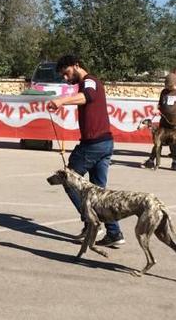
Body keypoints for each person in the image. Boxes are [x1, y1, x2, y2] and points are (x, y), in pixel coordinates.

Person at [46, 54, 125, 248]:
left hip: (94, 144)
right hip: (104, 143)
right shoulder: (88, 83)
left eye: (66, 73)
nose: (66, 78)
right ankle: (114, 234)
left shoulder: (90, 81)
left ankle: (91, 222)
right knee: (99, 193)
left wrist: (61, 101)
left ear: (76, 65)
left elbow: (87, 97)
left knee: (68, 179)